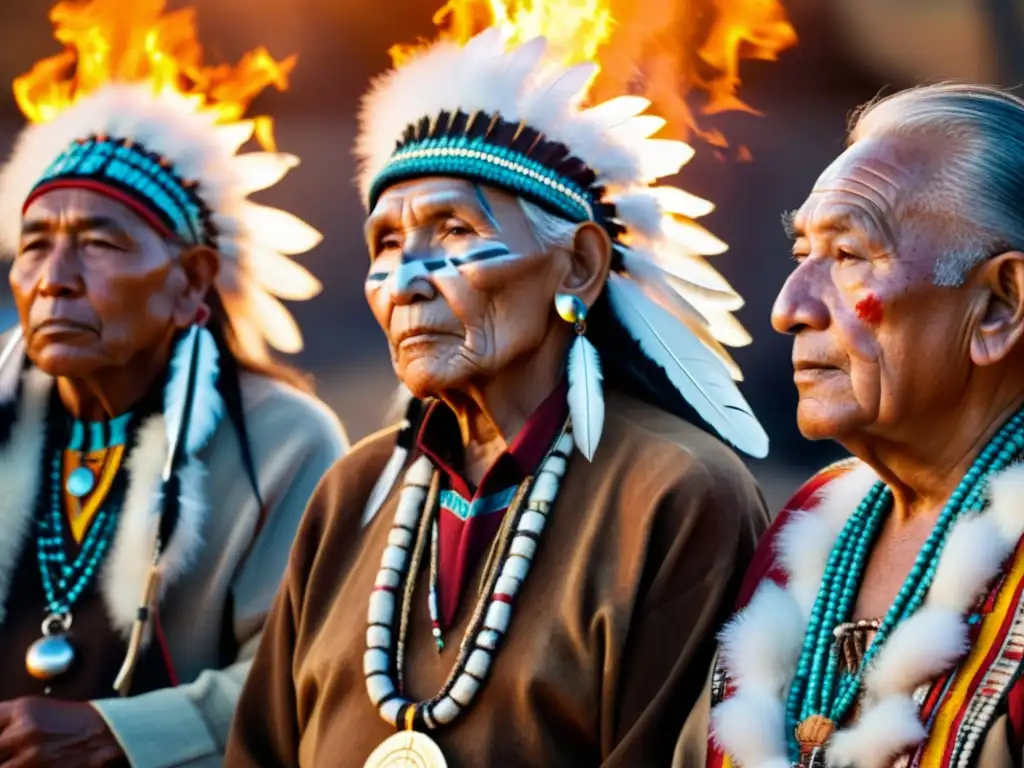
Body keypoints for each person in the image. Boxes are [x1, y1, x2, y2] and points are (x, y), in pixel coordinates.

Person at [226, 25, 771, 768]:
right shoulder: (350, 494)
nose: (406, 280)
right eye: (385, 243)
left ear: (577, 265)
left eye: (453, 228)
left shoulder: (677, 495)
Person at [0, 2, 348, 765]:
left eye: (97, 243)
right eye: (34, 246)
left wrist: (122, 735)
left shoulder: (286, 441)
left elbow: (312, 670)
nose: (54, 280)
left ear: (191, 282)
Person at [678, 82, 1024, 768]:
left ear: (999, 308)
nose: (788, 307)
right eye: (801, 253)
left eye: (849, 256)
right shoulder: (815, 520)